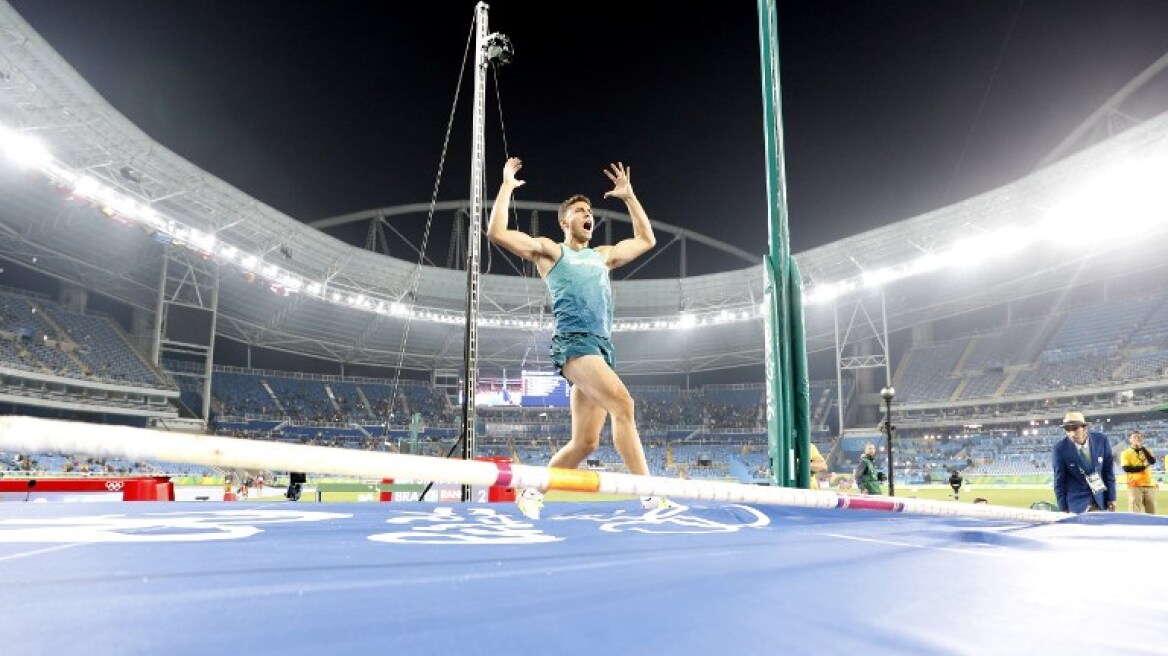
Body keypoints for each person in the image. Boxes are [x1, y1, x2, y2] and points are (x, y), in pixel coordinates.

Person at [487, 157, 666, 520]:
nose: (589, 215)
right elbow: (498, 233)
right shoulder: (553, 251)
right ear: (564, 221)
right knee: (624, 405)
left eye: (591, 211)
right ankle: (649, 496)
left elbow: (647, 239)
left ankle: (532, 490)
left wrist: (629, 197)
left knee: (585, 442)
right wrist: (507, 184)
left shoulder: (603, 256)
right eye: (581, 210)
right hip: (575, 344)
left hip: (601, 348)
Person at [1052, 411, 1116, 513]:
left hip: (1099, 500)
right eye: (1067, 430)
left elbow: (1108, 472)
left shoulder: (1101, 440)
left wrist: (1111, 497)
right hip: (1076, 504)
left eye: (1075, 429)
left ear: (1084, 428)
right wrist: (1063, 508)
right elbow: (1059, 482)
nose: (1071, 434)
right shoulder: (1059, 449)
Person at [1120, 430, 1157, 513]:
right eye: (1134, 437)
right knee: (1135, 512)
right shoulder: (1125, 453)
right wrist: (1143, 467)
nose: (1137, 439)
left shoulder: (1147, 451)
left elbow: (1152, 462)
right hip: (1134, 485)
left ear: (1142, 439)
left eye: (1139, 437)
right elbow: (1127, 469)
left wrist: (1142, 448)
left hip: (1149, 485)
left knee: (1152, 512)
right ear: (1130, 439)